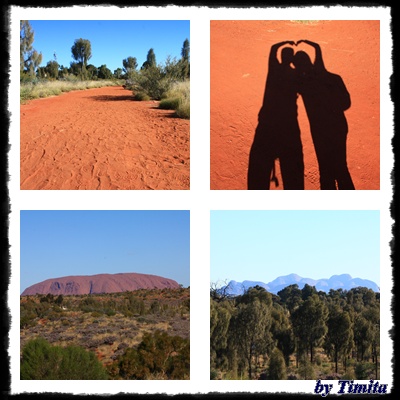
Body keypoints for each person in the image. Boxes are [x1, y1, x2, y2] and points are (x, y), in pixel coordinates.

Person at [294, 40, 355, 190]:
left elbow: (281, 72)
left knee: (325, 168)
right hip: (339, 126)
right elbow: (346, 104)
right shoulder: (334, 78)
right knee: (341, 166)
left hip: (320, 131)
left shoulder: (302, 85)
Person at [248, 41, 304, 190]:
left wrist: (285, 42)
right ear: (291, 59)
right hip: (289, 122)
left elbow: (273, 48)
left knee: (260, 162)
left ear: (281, 56)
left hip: (268, 121)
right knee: (292, 165)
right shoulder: (296, 74)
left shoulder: (273, 69)